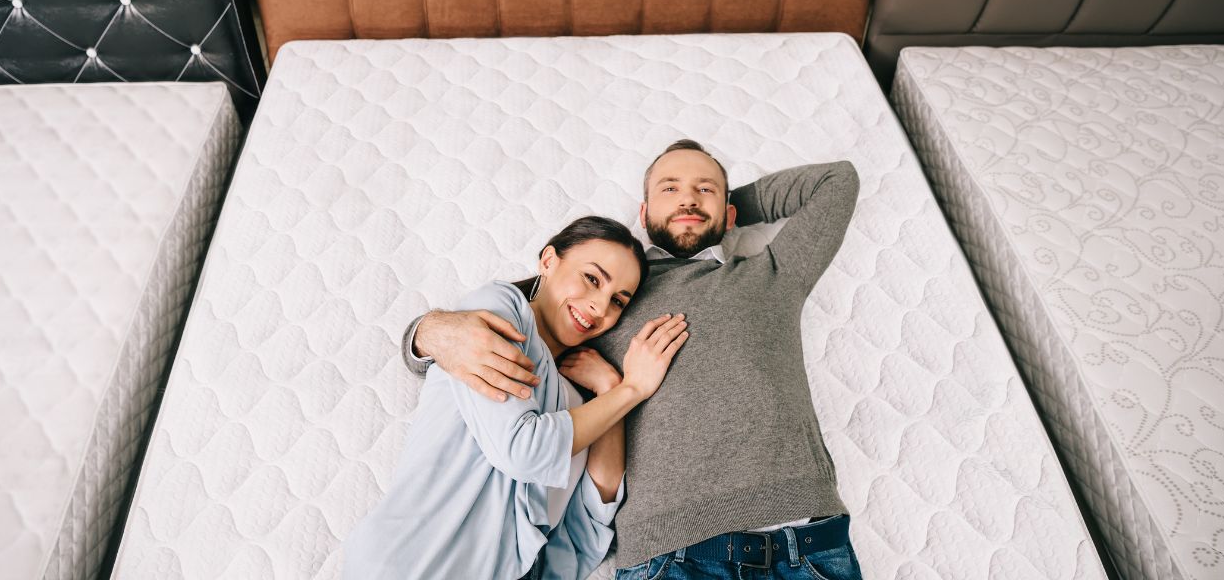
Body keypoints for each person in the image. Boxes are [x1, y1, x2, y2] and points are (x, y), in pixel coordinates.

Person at [402, 140, 864, 580]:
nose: (688, 199)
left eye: (704, 189)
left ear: (729, 212)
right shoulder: (607, 300)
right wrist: (429, 332)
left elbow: (838, 181)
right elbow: (517, 325)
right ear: (642, 214)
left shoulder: (772, 278)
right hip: (672, 551)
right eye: (669, 189)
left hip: (805, 538)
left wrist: (721, 207)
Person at [345, 216, 689, 580]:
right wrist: (631, 390)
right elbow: (524, 450)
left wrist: (609, 388)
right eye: (592, 279)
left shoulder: (583, 403)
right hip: (411, 561)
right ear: (548, 261)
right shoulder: (498, 311)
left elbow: (591, 518)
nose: (600, 308)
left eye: (618, 301)